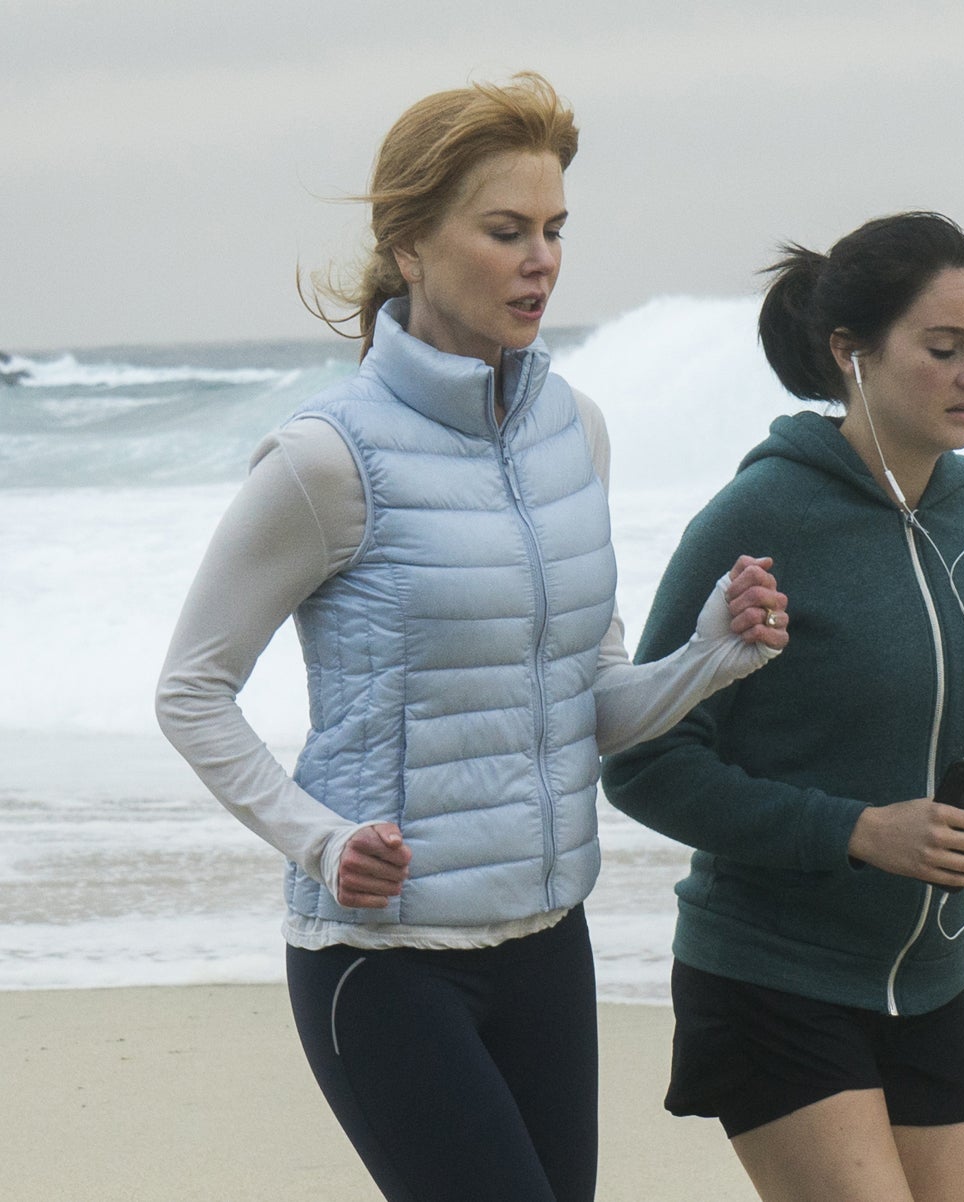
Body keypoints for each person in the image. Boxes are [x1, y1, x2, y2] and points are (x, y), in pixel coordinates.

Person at [154, 73, 788, 1202]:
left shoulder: (573, 429)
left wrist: (710, 651)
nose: (541, 258)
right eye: (506, 231)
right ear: (409, 245)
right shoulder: (326, 458)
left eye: (553, 230)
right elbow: (192, 690)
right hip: (382, 961)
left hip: (548, 939)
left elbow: (591, 702)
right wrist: (319, 840)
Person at [601, 212, 964, 1202]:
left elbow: (922, 703)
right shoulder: (760, 513)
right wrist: (859, 832)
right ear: (851, 353)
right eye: (943, 349)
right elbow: (641, 755)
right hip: (774, 973)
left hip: (931, 975)